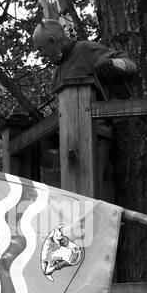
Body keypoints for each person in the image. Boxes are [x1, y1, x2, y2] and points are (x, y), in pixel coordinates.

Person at [29, 19, 138, 201]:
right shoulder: (57, 73)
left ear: (52, 41)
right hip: (69, 142)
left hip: (95, 137)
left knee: (92, 199)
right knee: (70, 201)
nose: (41, 54)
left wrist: (111, 65)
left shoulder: (85, 49)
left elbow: (130, 65)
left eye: (41, 49)